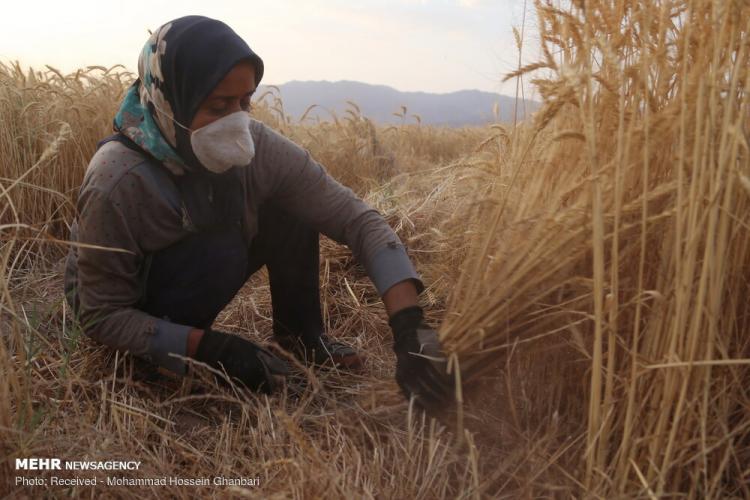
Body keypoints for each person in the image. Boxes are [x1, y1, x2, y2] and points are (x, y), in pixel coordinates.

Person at [64, 15, 453, 410]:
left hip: (201, 271)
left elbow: (357, 219)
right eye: (218, 106)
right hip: (140, 306)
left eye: (244, 102)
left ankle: (301, 339)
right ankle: (171, 356)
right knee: (216, 248)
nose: (236, 121)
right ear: (171, 100)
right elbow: (101, 314)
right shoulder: (117, 179)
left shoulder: (258, 149)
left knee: (293, 208)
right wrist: (214, 352)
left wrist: (409, 327)